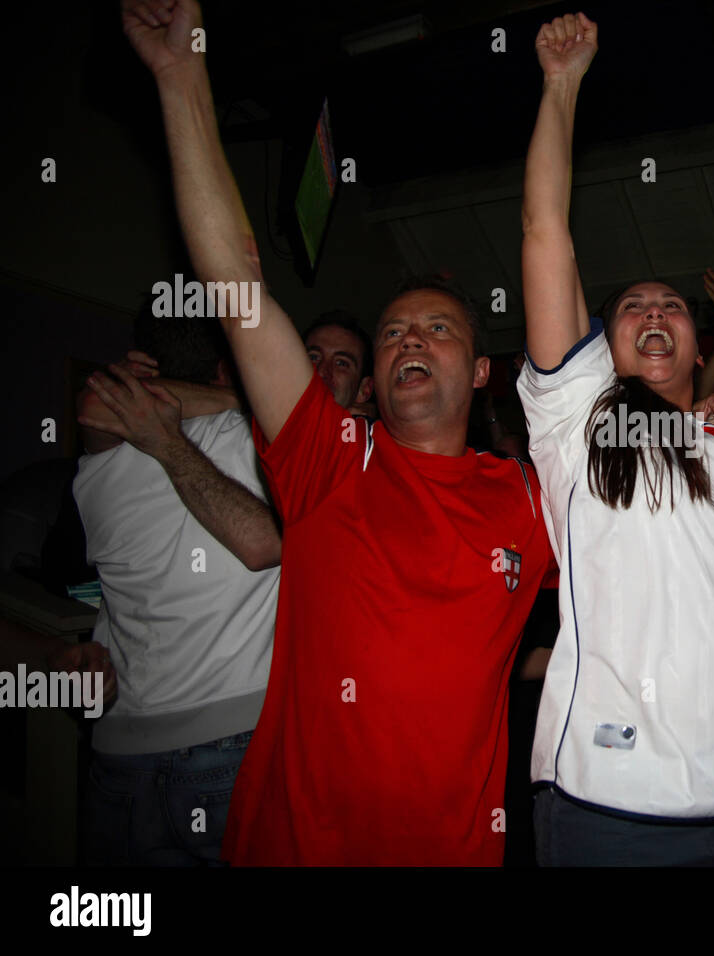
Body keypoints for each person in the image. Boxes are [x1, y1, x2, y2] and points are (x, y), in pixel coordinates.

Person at [124, 0, 557, 865]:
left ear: (480, 372)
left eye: (438, 330)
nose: (408, 341)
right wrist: (181, 78)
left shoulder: (528, 498)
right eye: (394, 330)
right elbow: (235, 282)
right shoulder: (330, 457)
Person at [517, 13, 714, 866]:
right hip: (611, 807)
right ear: (598, 346)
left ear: (694, 335)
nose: (651, 313)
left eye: (670, 305)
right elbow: (542, 232)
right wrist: (561, 86)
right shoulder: (581, 421)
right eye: (631, 307)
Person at [73, 310, 280, 865]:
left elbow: (93, 405)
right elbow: (265, 545)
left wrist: (132, 392)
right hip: (225, 741)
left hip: (120, 751)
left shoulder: (100, 455)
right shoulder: (250, 434)